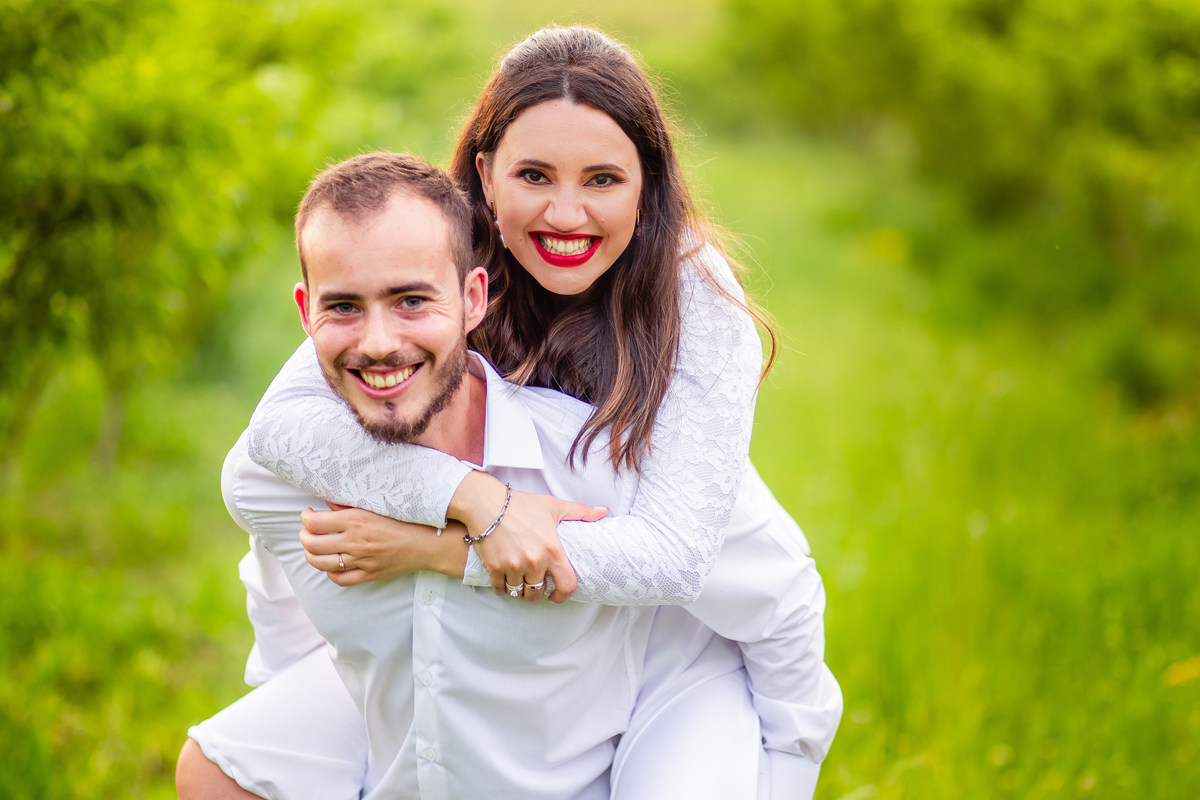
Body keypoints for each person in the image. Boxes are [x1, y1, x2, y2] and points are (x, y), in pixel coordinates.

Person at [180, 24, 841, 798]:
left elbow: (679, 557)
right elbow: (285, 432)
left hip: (666, 636)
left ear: (647, 183)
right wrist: (479, 501)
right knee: (228, 766)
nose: (566, 214)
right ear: (486, 177)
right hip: (531, 626)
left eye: (602, 179)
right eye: (535, 175)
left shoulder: (694, 296)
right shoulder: (437, 258)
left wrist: (433, 549)